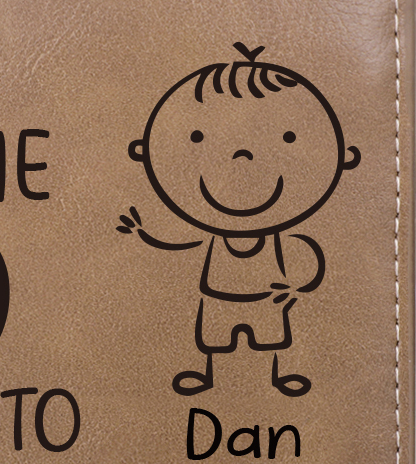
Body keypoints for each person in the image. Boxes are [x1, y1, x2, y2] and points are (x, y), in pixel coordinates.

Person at [118, 43, 360, 397]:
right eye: (198, 137)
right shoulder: (214, 234)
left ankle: (279, 376)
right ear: (142, 151)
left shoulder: (276, 236)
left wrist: (297, 286)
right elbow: (182, 240)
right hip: (219, 295)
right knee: (215, 339)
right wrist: (143, 232)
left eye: (287, 137)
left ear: (345, 157)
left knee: (271, 338)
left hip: (266, 297)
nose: (241, 157)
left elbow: (308, 253)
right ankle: (207, 375)